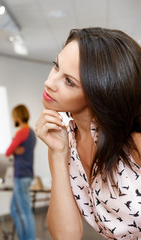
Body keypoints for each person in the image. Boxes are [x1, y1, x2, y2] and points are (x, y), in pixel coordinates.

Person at [36, 27, 141, 240]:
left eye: (69, 81)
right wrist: (57, 154)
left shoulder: (134, 142)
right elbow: (67, 237)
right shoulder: (65, 145)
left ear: (99, 92)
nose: (49, 83)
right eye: (56, 66)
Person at [5, 104, 37, 240]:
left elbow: (8, 151)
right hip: (27, 174)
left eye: (14, 117)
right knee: (14, 209)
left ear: (17, 117)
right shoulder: (31, 133)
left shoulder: (21, 132)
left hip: (21, 175)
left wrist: (14, 148)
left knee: (24, 210)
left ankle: (29, 238)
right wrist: (16, 149)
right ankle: (23, 237)